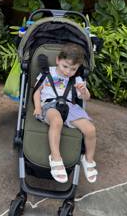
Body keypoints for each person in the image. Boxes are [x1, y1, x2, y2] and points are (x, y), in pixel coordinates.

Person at [33, 43, 97, 184]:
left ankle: (88, 159)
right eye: (65, 66)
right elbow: (36, 91)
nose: (68, 72)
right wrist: (37, 107)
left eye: (73, 69)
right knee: (57, 121)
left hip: (70, 107)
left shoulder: (77, 80)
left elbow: (86, 98)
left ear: (78, 67)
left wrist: (83, 91)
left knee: (90, 129)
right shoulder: (47, 72)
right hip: (49, 105)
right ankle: (56, 158)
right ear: (57, 60)